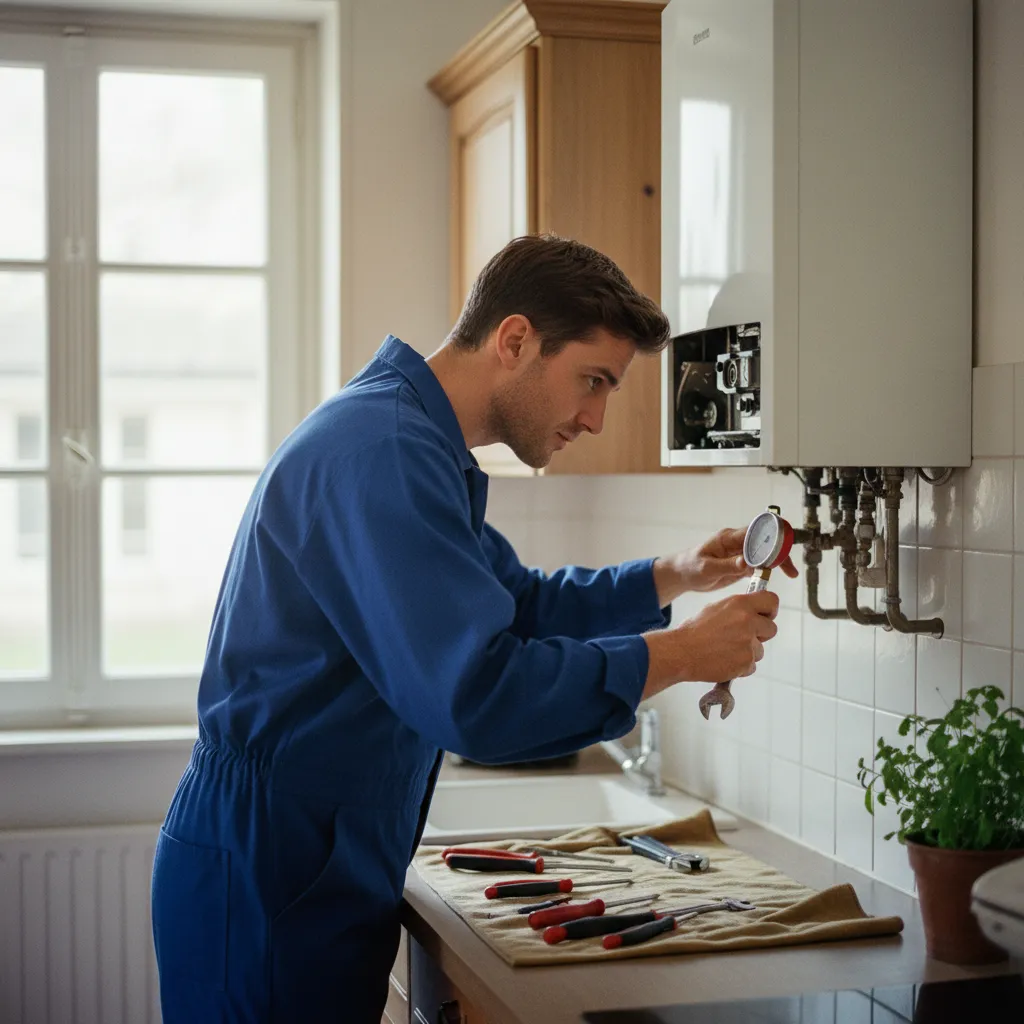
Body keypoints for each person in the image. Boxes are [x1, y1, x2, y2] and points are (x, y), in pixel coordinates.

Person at [151, 234, 792, 1022]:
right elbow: (477, 694)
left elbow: (515, 602)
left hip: (309, 853)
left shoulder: (412, 441)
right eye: (593, 381)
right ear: (515, 339)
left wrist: (672, 574)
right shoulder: (385, 450)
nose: (596, 418)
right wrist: (681, 653)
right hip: (273, 866)